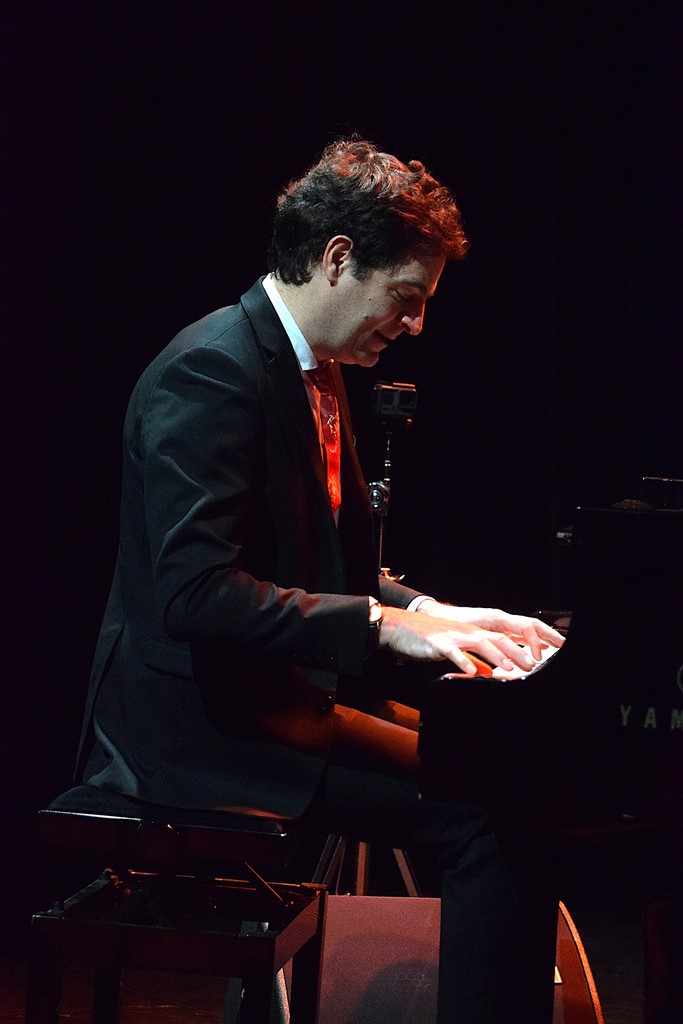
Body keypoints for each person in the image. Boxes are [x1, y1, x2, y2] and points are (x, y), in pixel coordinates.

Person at [75, 138, 564, 1021]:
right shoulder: (211, 370)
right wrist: (385, 625)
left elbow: (330, 569)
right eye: (406, 297)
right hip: (199, 733)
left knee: (500, 771)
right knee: (483, 814)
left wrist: (438, 612)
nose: (414, 324)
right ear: (339, 259)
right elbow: (194, 594)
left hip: (282, 701)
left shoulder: (315, 368)